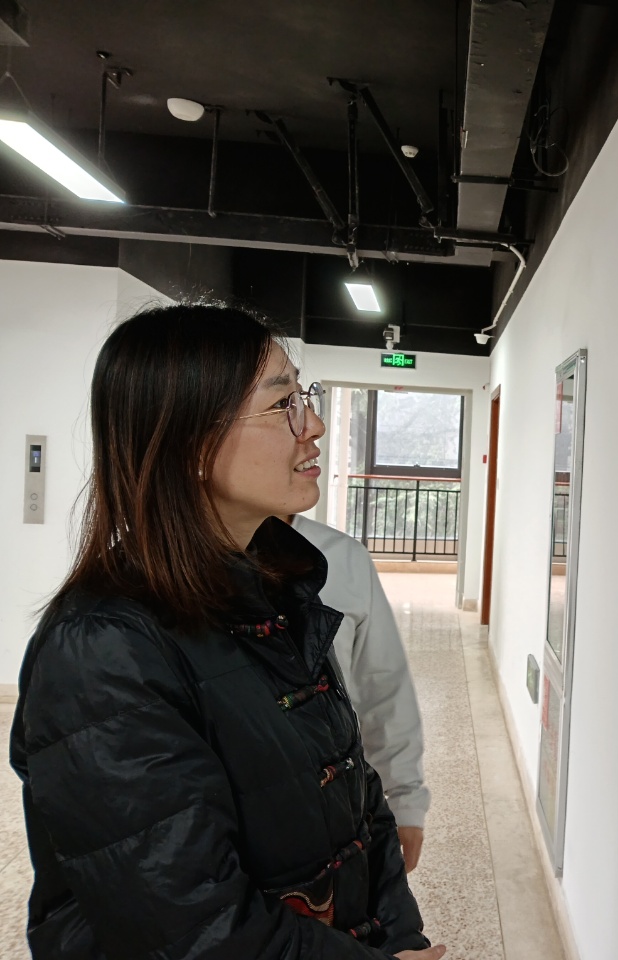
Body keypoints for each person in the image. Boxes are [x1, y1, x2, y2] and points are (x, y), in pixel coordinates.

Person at [9, 303, 446, 960]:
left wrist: (400, 941)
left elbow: (357, 799)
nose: (314, 425)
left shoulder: (278, 589)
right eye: (283, 404)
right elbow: (191, 926)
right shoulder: (102, 652)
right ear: (190, 445)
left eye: (305, 397)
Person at [290, 514, 430, 872]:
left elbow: (381, 683)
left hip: (330, 802)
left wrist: (404, 798)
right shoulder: (166, 561)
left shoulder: (340, 556)